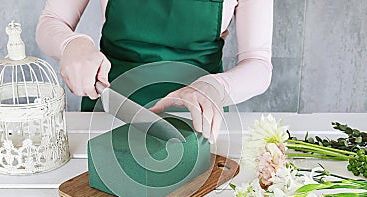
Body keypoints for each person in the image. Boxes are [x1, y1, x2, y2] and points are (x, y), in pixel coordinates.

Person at [36, 0, 273, 144]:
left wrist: (215, 87)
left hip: (198, 122)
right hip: (108, 112)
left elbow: (258, 63)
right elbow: (53, 20)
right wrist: (71, 44)